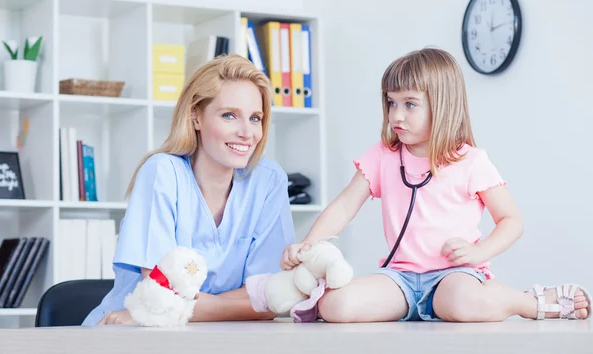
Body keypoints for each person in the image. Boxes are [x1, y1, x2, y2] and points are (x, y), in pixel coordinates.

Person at [280, 48, 591, 323]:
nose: (396, 115)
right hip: (399, 278)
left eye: (410, 104)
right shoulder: (383, 156)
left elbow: (512, 220)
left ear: (442, 105)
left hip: (453, 277)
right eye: (391, 103)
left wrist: (477, 251)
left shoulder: (470, 161)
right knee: (338, 306)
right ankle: (413, 307)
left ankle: (530, 302)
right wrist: (309, 245)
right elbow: (345, 206)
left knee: (464, 303)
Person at [82, 54, 295, 326]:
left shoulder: (268, 180)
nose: (247, 132)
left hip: (220, 336)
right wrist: (245, 304)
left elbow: (274, 299)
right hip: (128, 335)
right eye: (229, 115)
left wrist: (190, 307)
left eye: (255, 118)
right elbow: (159, 297)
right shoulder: (162, 172)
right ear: (196, 116)